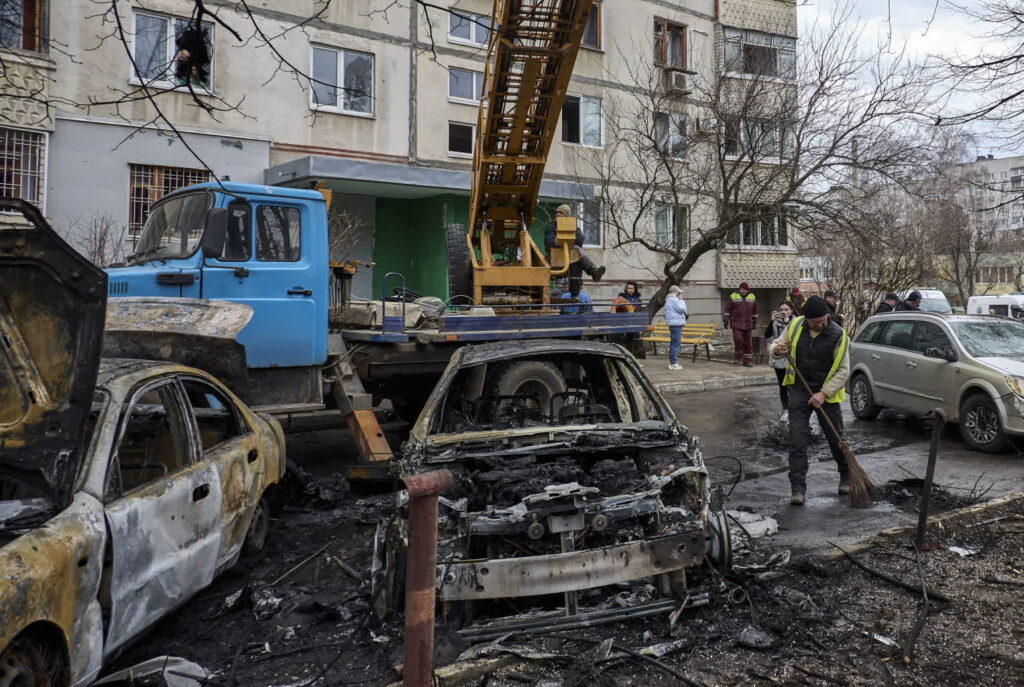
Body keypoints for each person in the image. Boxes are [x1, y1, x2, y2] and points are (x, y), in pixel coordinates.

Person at [768, 296, 852, 506]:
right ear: (807, 319)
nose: (821, 324)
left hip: (827, 395)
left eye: (823, 320)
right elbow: (776, 346)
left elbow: (843, 371)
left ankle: (847, 476)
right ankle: (797, 489)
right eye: (816, 322)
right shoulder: (796, 325)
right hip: (799, 389)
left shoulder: (839, 335)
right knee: (797, 441)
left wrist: (824, 393)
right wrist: (777, 350)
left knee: (836, 438)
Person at [544, 205, 606, 294]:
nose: (558, 214)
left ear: (567, 216)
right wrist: (564, 242)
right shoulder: (550, 228)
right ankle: (593, 271)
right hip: (554, 259)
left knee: (576, 260)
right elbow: (549, 242)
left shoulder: (575, 229)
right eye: (557, 212)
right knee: (575, 252)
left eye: (561, 213)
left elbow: (579, 241)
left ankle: (575, 294)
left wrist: (570, 233)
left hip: (569, 259)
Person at [764, 301, 795, 421]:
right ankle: (786, 410)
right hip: (778, 358)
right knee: (782, 386)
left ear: (791, 310)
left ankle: (795, 410)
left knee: (792, 386)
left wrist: (788, 323)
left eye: (786, 309)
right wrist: (771, 321)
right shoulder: (775, 322)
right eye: (781, 310)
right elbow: (767, 335)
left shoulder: (796, 322)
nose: (783, 312)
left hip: (791, 359)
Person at [724, 282, 758, 366]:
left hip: (748, 324)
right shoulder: (733, 296)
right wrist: (725, 320)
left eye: (745, 290)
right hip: (736, 323)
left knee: (748, 343)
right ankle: (738, 357)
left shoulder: (752, 297)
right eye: (741, 289)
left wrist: (754, 322)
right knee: (738, 340)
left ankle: (747, 360)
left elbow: (755, 312)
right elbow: (727, 309)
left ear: (747, 290)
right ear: (739, 289)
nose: (743, 291)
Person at [665, 285, 688, 370]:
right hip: (676, 323)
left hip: (673, 323)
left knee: (674, 343)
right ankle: (673, 363)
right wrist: (681, 300)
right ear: (676, 293)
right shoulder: (674, 300)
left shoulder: (669, 300)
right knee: (676, 343)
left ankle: (672, 362)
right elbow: (682, 309)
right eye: (679, 293)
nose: (680, 294)